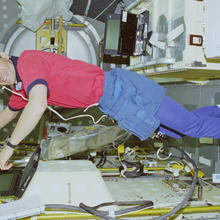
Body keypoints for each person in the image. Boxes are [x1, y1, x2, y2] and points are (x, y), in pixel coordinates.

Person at [1, 49, 220, 170]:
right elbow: (9, 113)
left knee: (192, 128)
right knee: (179, 129)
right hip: (118, 103)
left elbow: (38, 105)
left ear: (2, 55)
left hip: (127, 93)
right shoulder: (21, 88)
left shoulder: (27, 62)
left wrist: (9, 147)